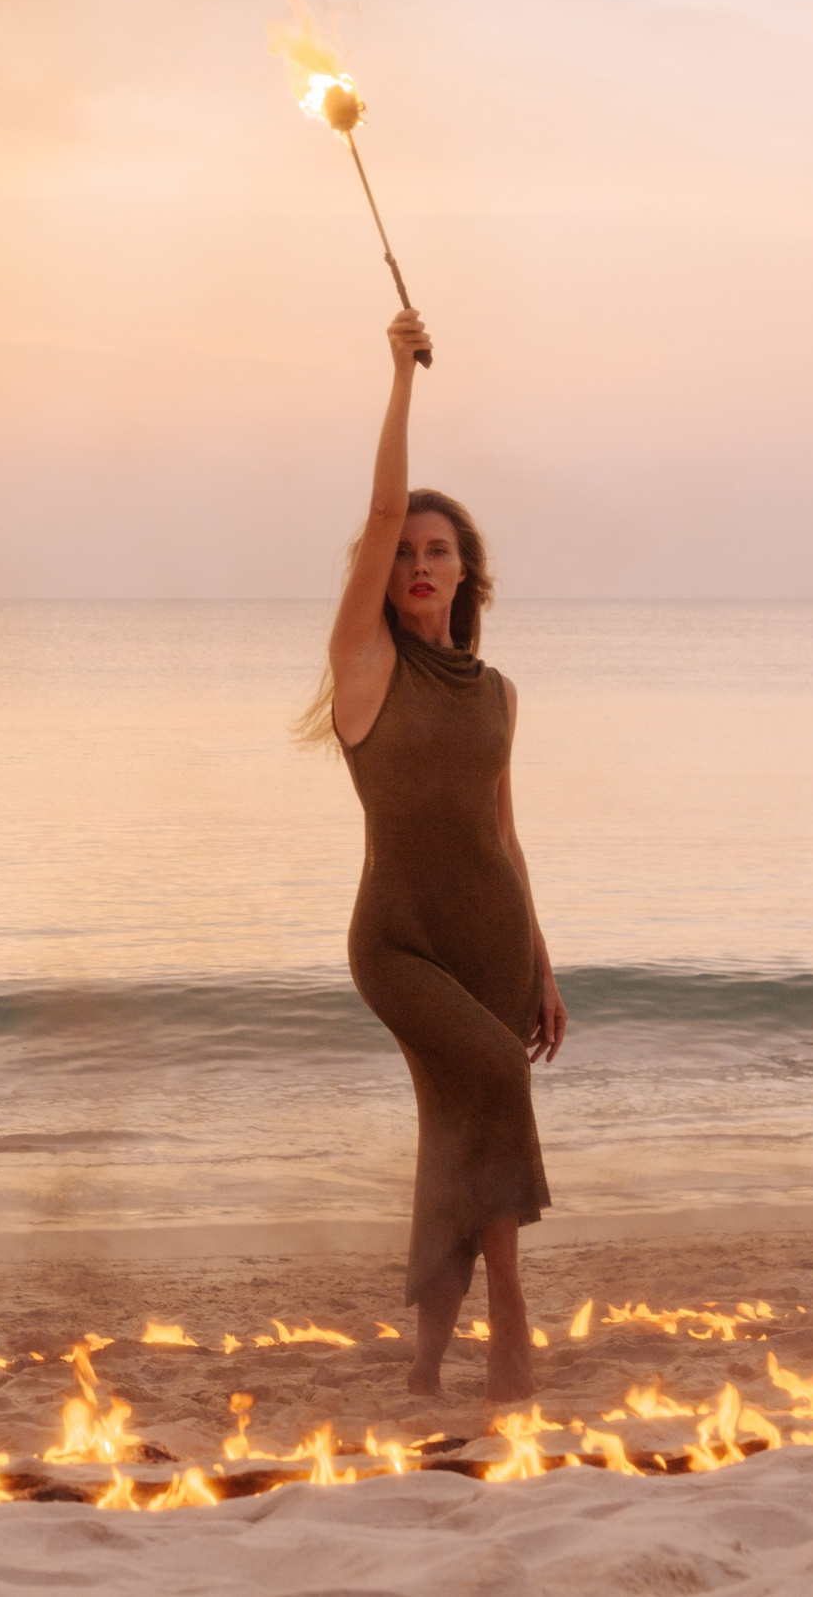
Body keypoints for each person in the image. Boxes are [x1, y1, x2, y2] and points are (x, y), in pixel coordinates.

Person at [298, 306, 568, 1401]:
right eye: (402, 552)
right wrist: (401, 376)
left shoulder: (498, 692)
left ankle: (423, 1365)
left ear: (467, 575)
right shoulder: (365, 667)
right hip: (399, 946)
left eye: (436, 549)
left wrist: (543, 963)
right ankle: (509, 1321)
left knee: (458, 1141)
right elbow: (374, 511)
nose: (415, 561)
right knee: (490, 1080)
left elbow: (503, 835)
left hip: (494, 943)